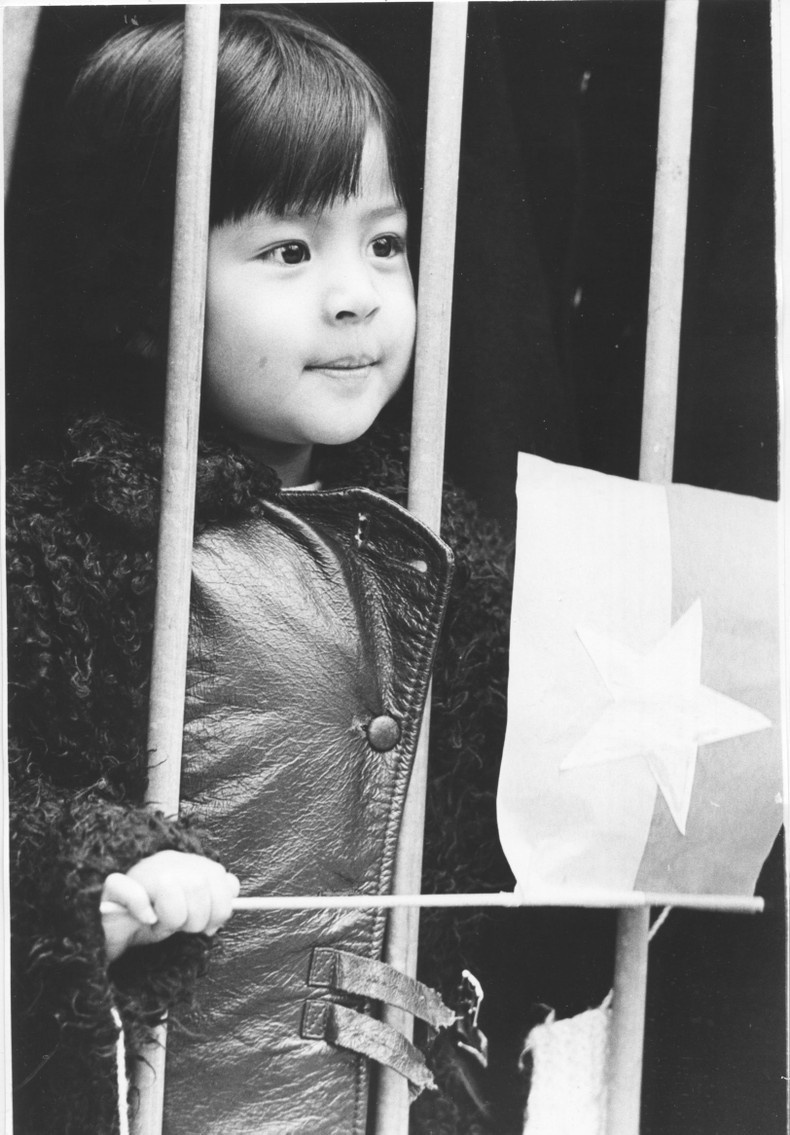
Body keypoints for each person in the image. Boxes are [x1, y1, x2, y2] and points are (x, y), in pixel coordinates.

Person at [7, 9, 512, 1134]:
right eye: (289, 251)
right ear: (146, 293)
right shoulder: (62, 537)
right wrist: (97, 874)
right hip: (164, 1097)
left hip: (399, 1101)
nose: (356, 295)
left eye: (383, 243)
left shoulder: (446, 535)